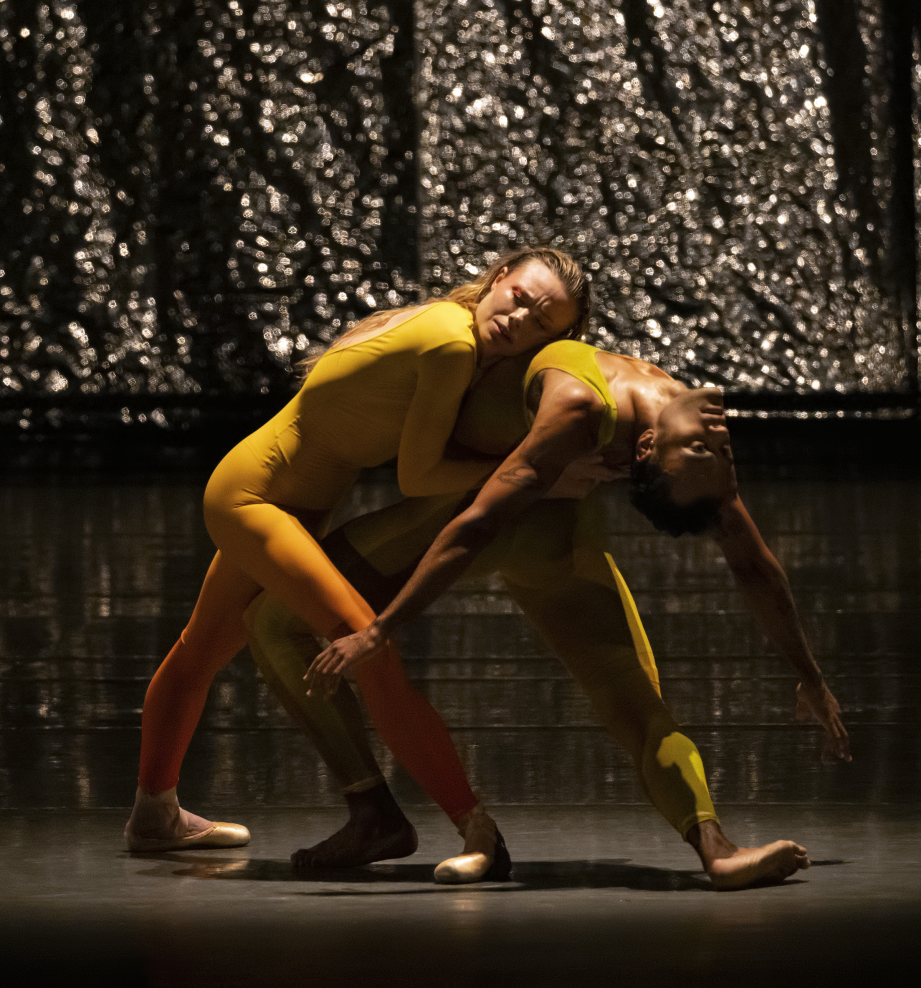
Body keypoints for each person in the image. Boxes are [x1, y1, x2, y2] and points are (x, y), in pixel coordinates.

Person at [296, 340, 850, 889]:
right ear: (646, 445)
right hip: (480, 516)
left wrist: (812, 679)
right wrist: (379, 629)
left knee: (635, 702)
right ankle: (373, 809)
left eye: (718, 455)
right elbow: (474, 525)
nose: (720, 440)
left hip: (549, 539)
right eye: (708, 451)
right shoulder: (583, 406)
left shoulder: (614, 423)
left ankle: (719, 851)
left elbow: (757, 568)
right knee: (277, 616)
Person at [124, 247, 592, 886]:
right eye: (518, 297)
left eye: (541, 322)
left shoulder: (456, 332)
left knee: (200, 651)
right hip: (253, 497)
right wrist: (535, 473)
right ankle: (467, 823)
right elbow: (419, 474)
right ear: (498, 279)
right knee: (370, 646)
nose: (519, 320)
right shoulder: (450, 345)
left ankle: (154, 814)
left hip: (290, 502)